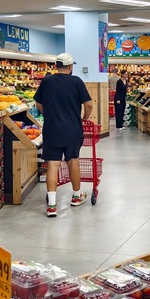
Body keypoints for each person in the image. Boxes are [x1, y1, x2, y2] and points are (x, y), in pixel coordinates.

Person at [34, 53, 94, 218]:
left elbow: (38, 103)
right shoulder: (76, 82)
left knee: (52, 164)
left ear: (56, 66)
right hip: (72, 129)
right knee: (72, 161)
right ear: (70, 67)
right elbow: (88, 104)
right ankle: (76, 196)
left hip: (52, 129)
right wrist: (85, 118)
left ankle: (52, 206)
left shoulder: (46, 81)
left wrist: (49, 114)